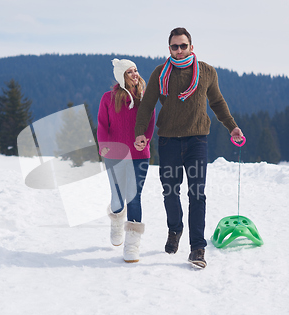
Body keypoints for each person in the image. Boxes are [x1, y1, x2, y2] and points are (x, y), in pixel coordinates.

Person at [134, 27, 244, 268]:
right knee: (170, 191)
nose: (180, 50)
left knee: (197, 194)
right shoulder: (160, 73)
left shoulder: (206, 72)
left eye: (184, 46)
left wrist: (232, 127)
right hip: (169, 141)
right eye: (175, 46)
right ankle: (175, 230)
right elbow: (147, 105)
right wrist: (140, 133)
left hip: (197, 141)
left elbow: (217, 102)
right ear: (169, 48)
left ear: (192, 47)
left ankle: (197, 248)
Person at [97, 58, 155, 263]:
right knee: (117, 196)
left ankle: (132, 244)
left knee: (134, 196)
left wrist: (145, 139)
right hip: (114, 154)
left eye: (136, 70)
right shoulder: (108, 98)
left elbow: (150, 122)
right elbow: (103, 124)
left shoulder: (145, 98)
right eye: (130, 72)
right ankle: (116, 219)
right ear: (122, 76)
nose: (135, 74)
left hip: (140, 154)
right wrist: (103, 143)